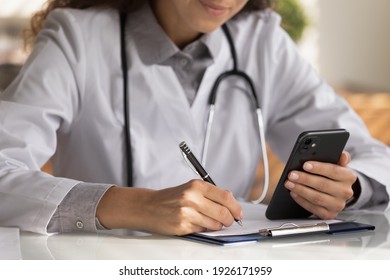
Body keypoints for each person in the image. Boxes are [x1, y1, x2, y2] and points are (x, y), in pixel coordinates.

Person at [0, 0, 389, 236]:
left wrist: (349, 188)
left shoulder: (262, 41)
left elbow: (373, 158)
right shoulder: (77, 37)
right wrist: (132, 206)